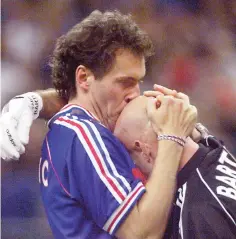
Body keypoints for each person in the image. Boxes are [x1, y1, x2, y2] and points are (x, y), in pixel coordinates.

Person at [1, 10, 198, 238]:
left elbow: (75, 98)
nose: (135, 94)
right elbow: (142, 233)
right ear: (84, 78)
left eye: (138, 82)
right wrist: (172, 137)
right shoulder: (83, 135)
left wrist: (36, 101)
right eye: (125, 82)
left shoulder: (76, 128)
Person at [114, 95, 236, 239]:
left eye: (129, 155)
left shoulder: (198, 212)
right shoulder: (215, 149)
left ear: (142, 149)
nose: (132, 164)